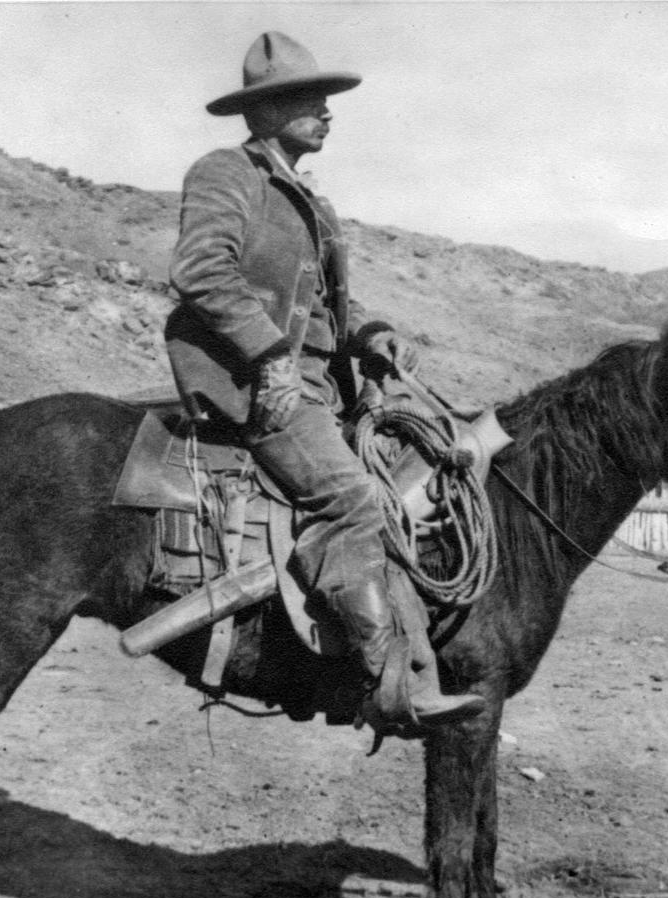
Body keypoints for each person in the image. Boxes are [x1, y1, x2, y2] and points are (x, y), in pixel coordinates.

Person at [164, 31, 484, 728]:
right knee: (352, 498)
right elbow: (200, 271)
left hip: (316, 387)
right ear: (268, 111)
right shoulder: (226, 175)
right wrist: (270, 352)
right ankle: (384, 680)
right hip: (254, 386)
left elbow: (327, 312)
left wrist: (372, 336)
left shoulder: (310, 203)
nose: (327, 112)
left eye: (326, 100)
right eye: (311, 99)